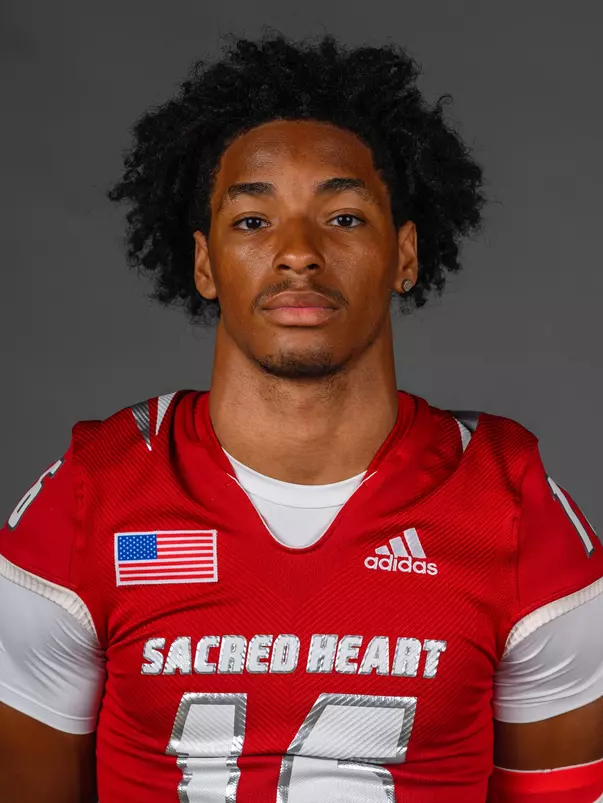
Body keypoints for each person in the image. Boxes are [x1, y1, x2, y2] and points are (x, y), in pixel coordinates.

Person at [0, 31, 602, 803]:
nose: (297, 253)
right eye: (252, 222)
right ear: (205, 263)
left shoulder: (514, 509)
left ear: (405, 254)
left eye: (344, 218)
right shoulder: (90, 498)